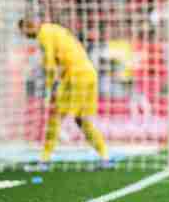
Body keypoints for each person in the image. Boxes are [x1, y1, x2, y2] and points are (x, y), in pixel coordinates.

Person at [19, 19, 109, 169]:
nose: (25, 36)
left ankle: (44, 160)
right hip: (89, 73)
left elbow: (49, 63)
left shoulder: (43, 34)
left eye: (24, 33)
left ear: (30, 27)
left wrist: (49, 87)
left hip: (75, 75)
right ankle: (105, 157)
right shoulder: (55, 28)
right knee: (81, 120)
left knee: (55, 117)